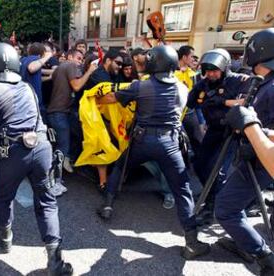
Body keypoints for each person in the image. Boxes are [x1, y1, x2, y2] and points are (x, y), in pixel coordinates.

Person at [0, 43, 73, 276]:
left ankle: (6, 238)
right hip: (42, 147)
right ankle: (55, 261)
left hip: (13, 152)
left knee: (5, 197)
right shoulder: (27, 87)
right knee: (47, 201)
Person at [96, 45, 210, 260]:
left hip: (142, 140)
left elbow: (111, 98)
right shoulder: (182, 88)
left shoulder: (141, 86)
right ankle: (192, 241)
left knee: (120, 167)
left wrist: (95, 99)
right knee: (182, 189)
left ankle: (108, 205)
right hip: (170, 143)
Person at [214, 28, 274, 275]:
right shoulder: (263, 84)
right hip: (256, 158)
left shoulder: (271, 89)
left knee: (226, 209)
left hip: (260, 161)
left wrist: (249, 127)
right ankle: (244, 239)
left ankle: (262, 255)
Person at [187, 48, 249, 224]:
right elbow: (191, 102)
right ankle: (210, 190)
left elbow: (246, 101)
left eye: (214, 70)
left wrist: (222, 101)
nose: (211, 74)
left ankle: (210, 208)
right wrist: (199, 90)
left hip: (230, 133)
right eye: (207, 70)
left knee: (218, 170)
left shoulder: (238, 80)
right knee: (199, 165)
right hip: (213, 130)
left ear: (224, 68)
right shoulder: (204, 82)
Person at [47, 49, 97, 175]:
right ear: (70, 57)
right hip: (59, 112)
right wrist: (90, 71)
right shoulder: (70, 65)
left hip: (58, 112)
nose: (80, 62)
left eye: (82, 59)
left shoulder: (60, 67)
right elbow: (76, 86)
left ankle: (66, 164)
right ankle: (54, 178)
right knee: (62, 147)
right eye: (78, 58)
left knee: (73, 137)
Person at [83, 48, 123, 193]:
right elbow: (106, 96)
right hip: (91, 116)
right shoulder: (99, 75)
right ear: (108, 61)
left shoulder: (108, 74)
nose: (120, 66)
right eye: (118, 63)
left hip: (100, 115)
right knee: (102, 145)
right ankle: (102, 182)